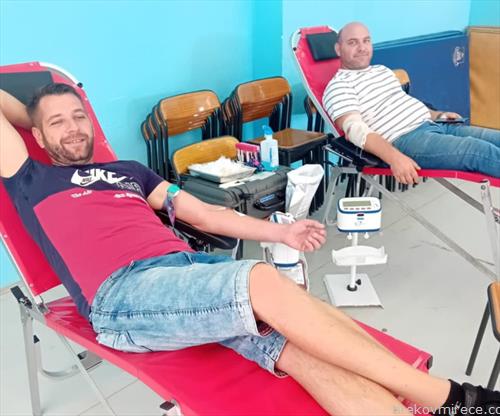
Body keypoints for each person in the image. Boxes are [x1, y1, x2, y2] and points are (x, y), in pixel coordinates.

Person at [0, 83, 498, 415]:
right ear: (36, 134)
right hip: (123, 295)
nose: (73, 128)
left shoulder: (130, 172)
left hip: (187, 270)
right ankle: (454, 398)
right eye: (56, 122)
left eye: (78, 116)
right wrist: (31, 112)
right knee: (259, 278)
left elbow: (203, 215)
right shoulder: (30, 178)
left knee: (301, 351)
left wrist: (282, 233)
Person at [323, 22, 500, 185]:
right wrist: (395, 158)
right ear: (338, 49)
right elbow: (356, 131)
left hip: (437, 125)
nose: (362, 48)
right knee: (481, 152)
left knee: (495, 138)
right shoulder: (339, 86)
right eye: (353, 42)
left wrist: (438, 115)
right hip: (407, 139)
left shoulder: (382, 71)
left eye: (366, 41)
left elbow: (404, 103)